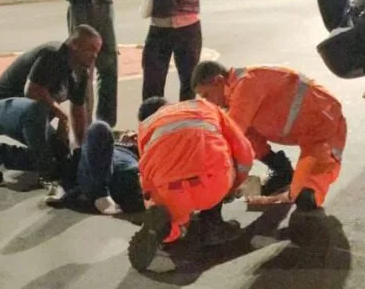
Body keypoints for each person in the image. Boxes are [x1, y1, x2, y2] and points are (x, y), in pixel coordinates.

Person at [192, 61, 348, 212]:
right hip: (307, 129)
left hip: (325, 127)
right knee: (245, 134)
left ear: (218, 81)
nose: (209, 103)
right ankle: (282, 170)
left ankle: (290, 178)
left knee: (305, 198)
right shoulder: (238, 87)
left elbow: (230, 138)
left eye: (207, 95)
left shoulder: (247, 84)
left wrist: (221, 185)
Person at [128, 96, 255, 272]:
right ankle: (213, 224)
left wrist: (154, 201)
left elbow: (147, 175)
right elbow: (245, 150)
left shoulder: (145, 127)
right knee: (222, 151)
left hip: (171, 190)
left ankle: (169, 232)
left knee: (166, 202)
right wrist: (234, 185)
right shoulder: (202, 106)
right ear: (168, 106)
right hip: (213, 182)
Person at [0, 25, 102, 197]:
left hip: (33, 119)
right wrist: (61, 115)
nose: (94, 55)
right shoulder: (53, 54)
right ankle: (48, 175)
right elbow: (32, 91)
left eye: (97, 51)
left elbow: (78, 112)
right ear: (74, 45)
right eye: (90, 49)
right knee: (36, 108)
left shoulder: (81, 73)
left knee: (62, 158)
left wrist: (82, 150)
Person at [44, 120, 144, 215]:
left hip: (135, 177)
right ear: (124, 137)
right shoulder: (108, 144)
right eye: (133, 134)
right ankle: (101, 194)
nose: (136, 137)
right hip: (98, 172)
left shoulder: (145, 151)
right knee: (99, 127)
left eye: (138, 136)